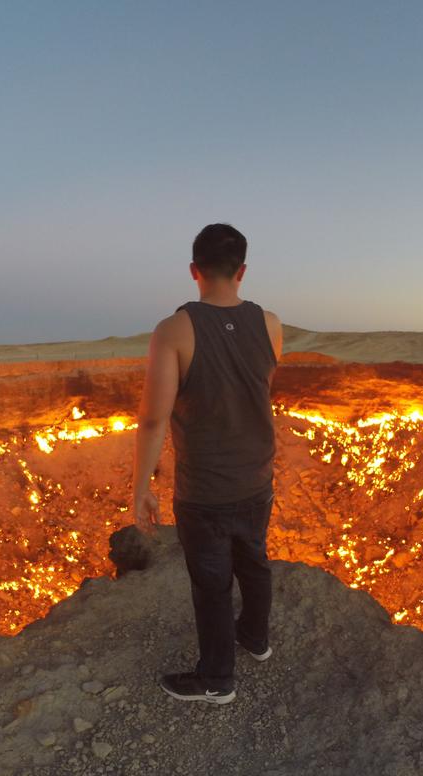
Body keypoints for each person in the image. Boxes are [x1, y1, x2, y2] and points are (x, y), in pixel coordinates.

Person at [131, 223, 284, 705]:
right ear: (242, 271)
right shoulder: (271, 324)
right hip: (257, 476)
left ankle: (217, 679)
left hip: (205, 489)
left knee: (212, 583)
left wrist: (141, 488)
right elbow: (254, 391)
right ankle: (255, 639)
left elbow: (153, 419)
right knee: (254, 560)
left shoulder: (173, 331)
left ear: (194, 270)